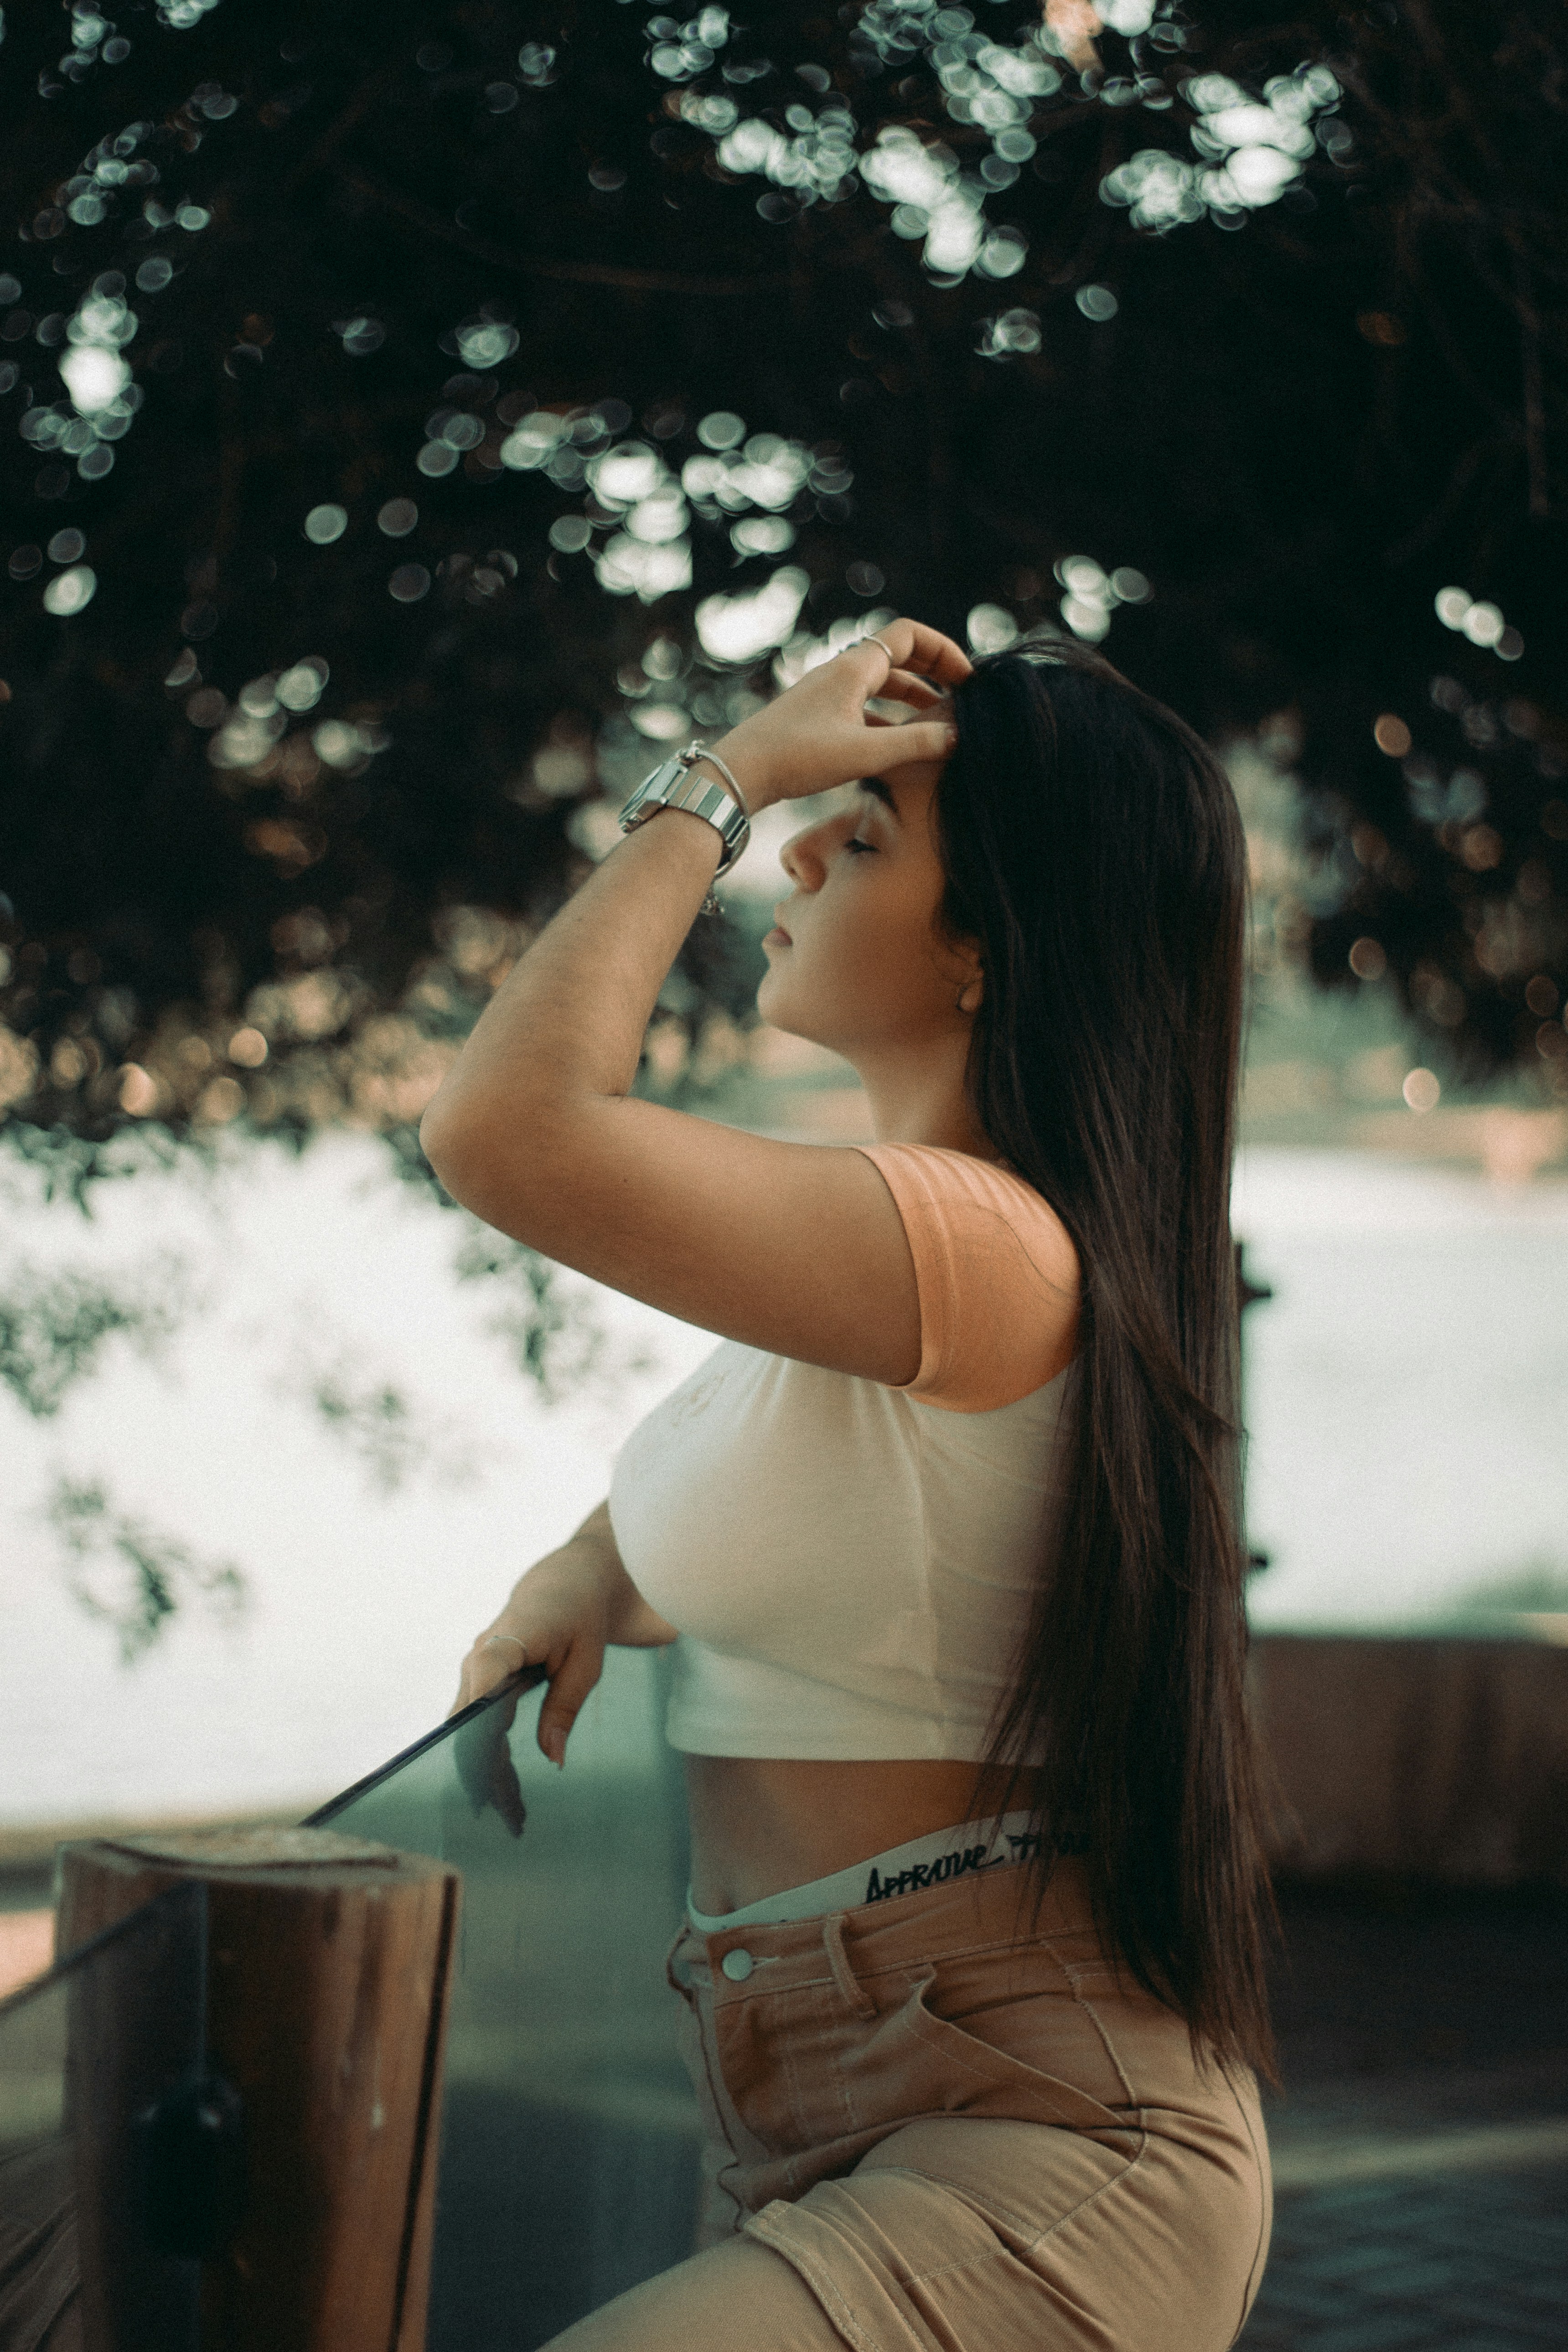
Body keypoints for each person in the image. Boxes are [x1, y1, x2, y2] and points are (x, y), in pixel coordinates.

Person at [422, 618, 1276, 2352]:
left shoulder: (975, 1245)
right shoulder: (921, 1257)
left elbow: (499, 1130)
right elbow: (838, 1527)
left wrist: (728, 776)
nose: (800, 850)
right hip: (818, 2107)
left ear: (983, 951)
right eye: (821, 814)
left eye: (864, 832)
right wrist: (593, 1569)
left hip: (1038, 2131)